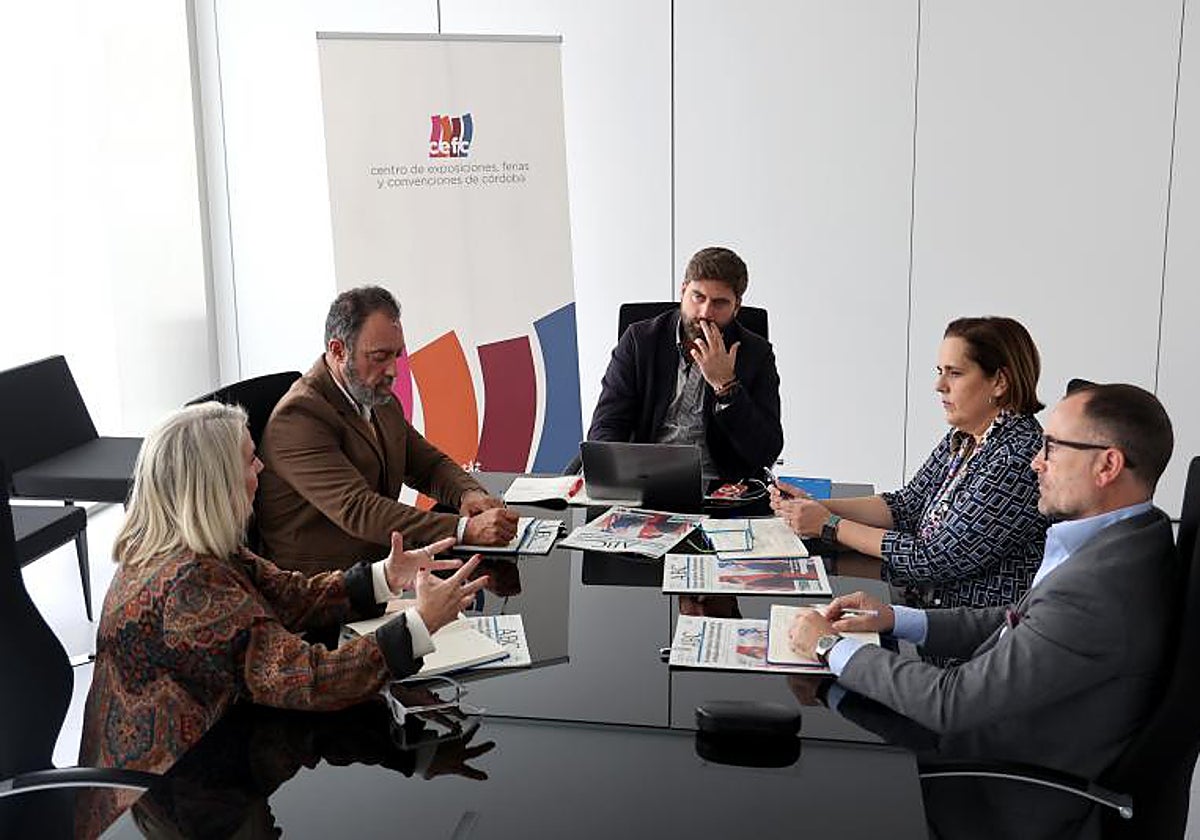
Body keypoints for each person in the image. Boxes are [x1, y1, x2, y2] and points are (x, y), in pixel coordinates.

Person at [77, 403, 489, 836]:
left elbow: (292, 596)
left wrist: (385, 576)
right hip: (176, 802)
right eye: (249, 459)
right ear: (216, 483)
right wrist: (421, 624)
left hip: (214, 762)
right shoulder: (189, 586)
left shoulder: (190, 546)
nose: (261, 467)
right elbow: (311, 679)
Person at [789, 383, 1178, 839]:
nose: (1036, 461)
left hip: (991, 791)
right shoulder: (1130, 539)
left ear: (1107, 464)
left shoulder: (1100, 590)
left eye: (1051, 447)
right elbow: (1018, 618)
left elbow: (950, 703)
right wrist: (897, 619)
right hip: (987, 747)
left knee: (793, 786)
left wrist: (827, 645)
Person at [772, 316, 1048, 609]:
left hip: (968, 641)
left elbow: (931, 559)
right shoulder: (967, 436)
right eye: (940, 371)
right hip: (923, 611)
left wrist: (829, 525)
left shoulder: (1018, 459)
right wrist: (814, 507)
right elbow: (907, 506)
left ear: (999, 382)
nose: (939, 385)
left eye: (954, 373)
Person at [256, 286, 518, 575]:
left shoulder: (377, 396)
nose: (393, 371)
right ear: (338, 350)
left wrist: (468, 494)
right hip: (322, 588)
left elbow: (426, 465)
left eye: (397, 355)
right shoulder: (298, 417)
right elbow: (359, 509)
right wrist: (463, 529)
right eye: (380, 357)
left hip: (380, 568)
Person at [587, 246, 783, 482]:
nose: (705, 312)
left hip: (720, 490)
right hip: (644, 482)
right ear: (683, 291)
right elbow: (606, 428)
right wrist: (624, 478)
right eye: (698, 297)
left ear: (736, 306)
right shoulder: (640, 341)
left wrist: (726, 387)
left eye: (719, 303)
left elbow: (766, 451)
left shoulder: (756, 354)